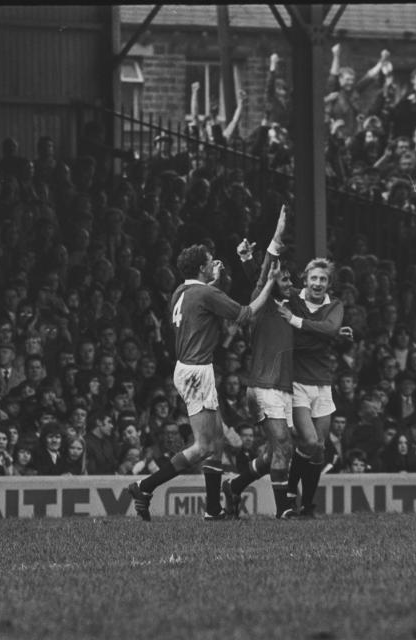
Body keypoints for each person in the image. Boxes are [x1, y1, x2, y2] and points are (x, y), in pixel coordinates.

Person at [128, 243, 281, 520]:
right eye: (211, 261)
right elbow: (247, 314)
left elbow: (201, 306)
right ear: (201, 267)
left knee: (217, 442)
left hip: (187, 368)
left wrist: (213, 282)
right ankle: (144, 486)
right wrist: (270, 283)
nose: (215, 264)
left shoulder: (181, 291)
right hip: (198, 372)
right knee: (204, 446)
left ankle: (213, 508)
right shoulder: (205, 292)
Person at [222, 206, 298, 518]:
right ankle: (284, 511)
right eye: (284, 278)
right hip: (263, 385)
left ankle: (236, 486)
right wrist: (279, 230)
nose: (289, 281)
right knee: (281, 443)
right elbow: (268, 267)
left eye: (291, 278)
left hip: (282, 387)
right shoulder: (263, 303)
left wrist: (246, 261)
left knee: (281, 450)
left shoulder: (288, 307)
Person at [279, 257, 347, 517]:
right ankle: (289, 492)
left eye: (323, 279)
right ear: (305, 279)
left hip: (323, 383)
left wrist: (295, 321)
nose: (318, 283)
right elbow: (263, 283)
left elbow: (330, 329)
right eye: (314, 278)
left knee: (318, 447)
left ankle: (307, 505)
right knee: (308, 440)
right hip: (297, 381)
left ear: (329, 283)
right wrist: (247, 260)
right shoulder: (293, 297)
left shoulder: (334, 305)